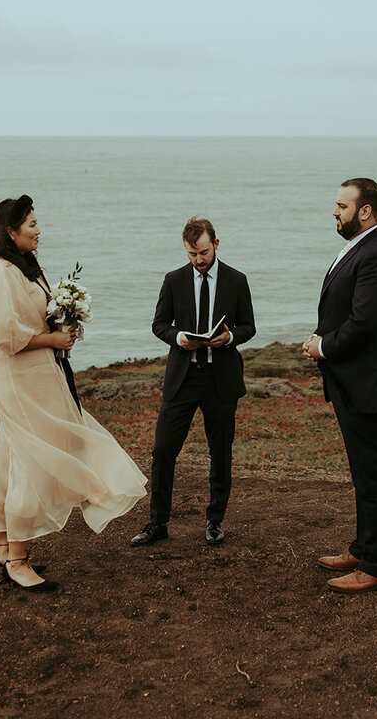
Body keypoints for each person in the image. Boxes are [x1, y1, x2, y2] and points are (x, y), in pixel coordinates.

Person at [0, 195, 147, 592]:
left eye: (37, 223)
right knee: (30, 461)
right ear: (10, 231)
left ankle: (2, 542)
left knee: (13, 454)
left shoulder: (24, 264)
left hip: (38, 373)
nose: (39, 230)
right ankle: (17, 559)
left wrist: (62, 327)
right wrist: (52, 337)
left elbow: (33, 317)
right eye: (32, 224)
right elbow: (6, 336)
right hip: (17, 377)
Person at [302, 178, 377, 593]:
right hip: (353, 382)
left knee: (373, 476)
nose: (335, 211)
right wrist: (319, 339)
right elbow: (344, 306)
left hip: (368, 383)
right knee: (363, 474)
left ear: (365, 211)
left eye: (342, 205)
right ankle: (364, 547)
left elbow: (363, 323)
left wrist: (322, 346)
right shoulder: (363, 246)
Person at [130, 217, 256, 547]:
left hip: (221, 380)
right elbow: (159, 324)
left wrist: (229, 338)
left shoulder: (237, 280)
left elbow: (248, 327)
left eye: (202, 252)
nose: (198, 260)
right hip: (182, 379)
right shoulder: (173, 280)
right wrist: (179, 336)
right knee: (163, 450)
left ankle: (215, 521)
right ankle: (157, 523)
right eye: (191, 254)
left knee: (220, 453)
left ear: (216, 244)